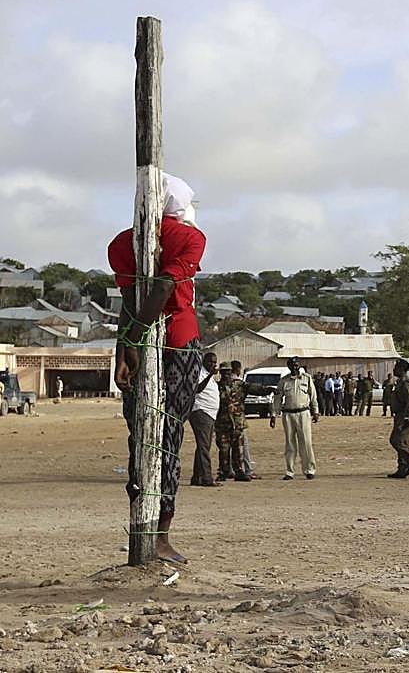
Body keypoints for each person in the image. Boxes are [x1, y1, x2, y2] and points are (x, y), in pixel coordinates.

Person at [109, 172, 206, 564]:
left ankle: (141, 526)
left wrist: (125, 348)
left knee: (140, 435)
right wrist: (135, 341)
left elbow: (128, 301)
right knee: (168, 438)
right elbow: (165, 287)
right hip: (178, 344)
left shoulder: (121, 243)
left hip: (136, 345)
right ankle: (160, 533)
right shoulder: (189, 237)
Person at [270, 356, 319, 480]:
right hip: (288, 415)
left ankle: (309, 470)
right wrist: (274, 415)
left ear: (299, 365)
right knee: (290, 444)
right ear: (289, 367)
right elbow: (277, 399)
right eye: (292, 365)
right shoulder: (284, 381)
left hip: (303, 413)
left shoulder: (307, 379)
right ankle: (290, 471)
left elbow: (313, 396)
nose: (294, 367)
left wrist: (316, 411)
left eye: (296, 365)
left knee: (306, 443)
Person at [215, 362, 254, 482]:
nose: (226, 374)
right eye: (223, 372)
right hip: (222, 423)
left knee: (238, 449)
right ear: (220, 373)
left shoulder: (239, 385)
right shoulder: (216, 386)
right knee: (223, 449)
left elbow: (254, 388)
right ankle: (224, 471)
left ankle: (239, 471)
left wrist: (268, 390)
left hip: (237, 423)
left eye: (228, 371)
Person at [188, 352, 220, 488]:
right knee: (203, 447)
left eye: (214, 362)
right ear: (203, 361)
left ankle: (197, 477)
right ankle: (207, 478)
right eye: (210, 362)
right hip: (201, 412)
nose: (212, 365)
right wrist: (210, 375)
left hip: (210, 414)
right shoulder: (200, 373)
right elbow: (198, 389)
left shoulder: (208, 375)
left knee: (203, 446)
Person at [387, 359, 409, 479]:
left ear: (402, 369)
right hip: (400, 414)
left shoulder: (406, 383)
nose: (394, 370)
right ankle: (402, 468)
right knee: (403, 441)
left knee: (396, 440)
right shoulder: (400, 382)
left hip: (405, 414)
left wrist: (406, 418)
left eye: (396, 368)